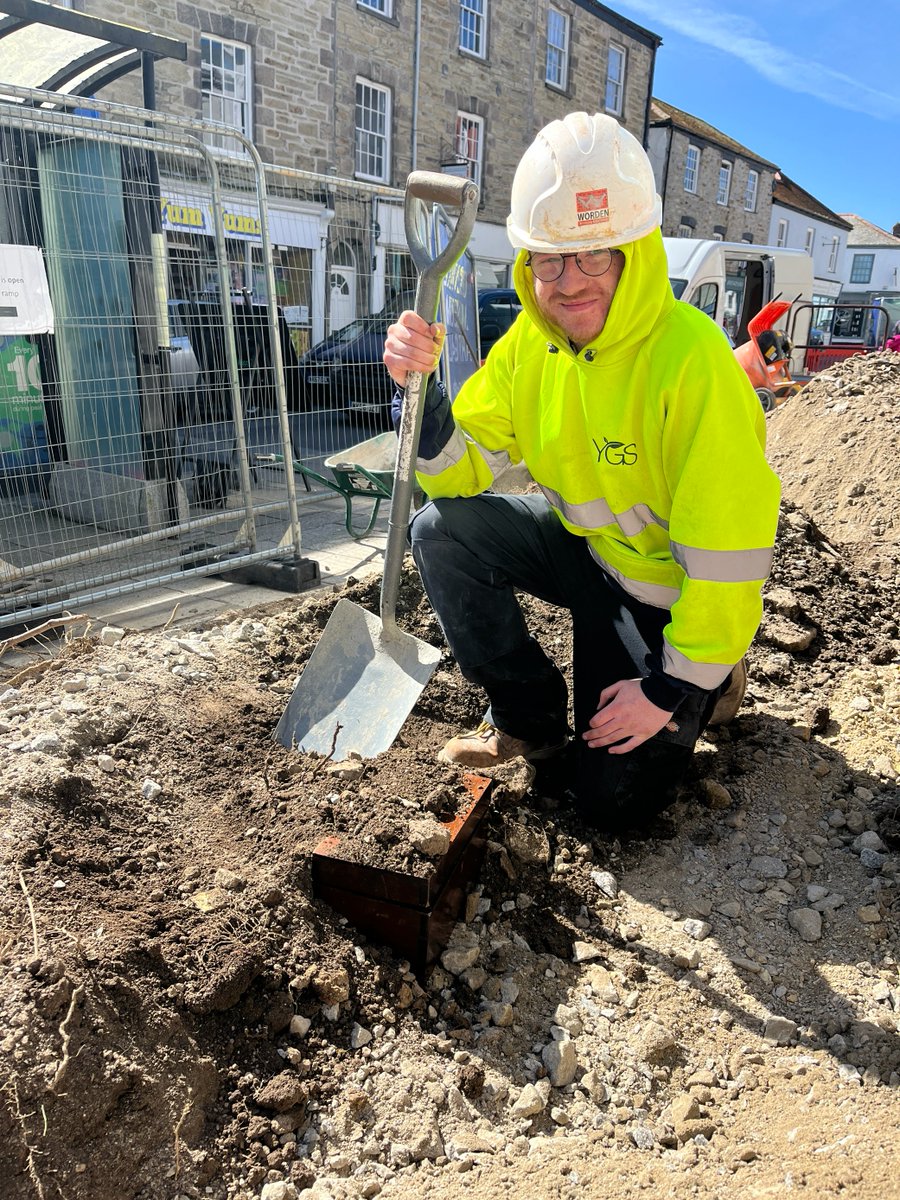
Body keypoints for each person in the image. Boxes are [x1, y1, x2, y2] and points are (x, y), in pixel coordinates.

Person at [383, 112, 780, 832]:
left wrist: (668, 684)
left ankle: (715, 677)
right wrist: (422, 391)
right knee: (441, 531)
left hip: (665, 590)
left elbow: (728, 554)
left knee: (612, 804)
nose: (567, 283)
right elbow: (454, 475)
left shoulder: (694, 363)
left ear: (634, 252)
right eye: (548, 259)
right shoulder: (530, 347)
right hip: (584, 550)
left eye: (592, 254)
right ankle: (529, 721)